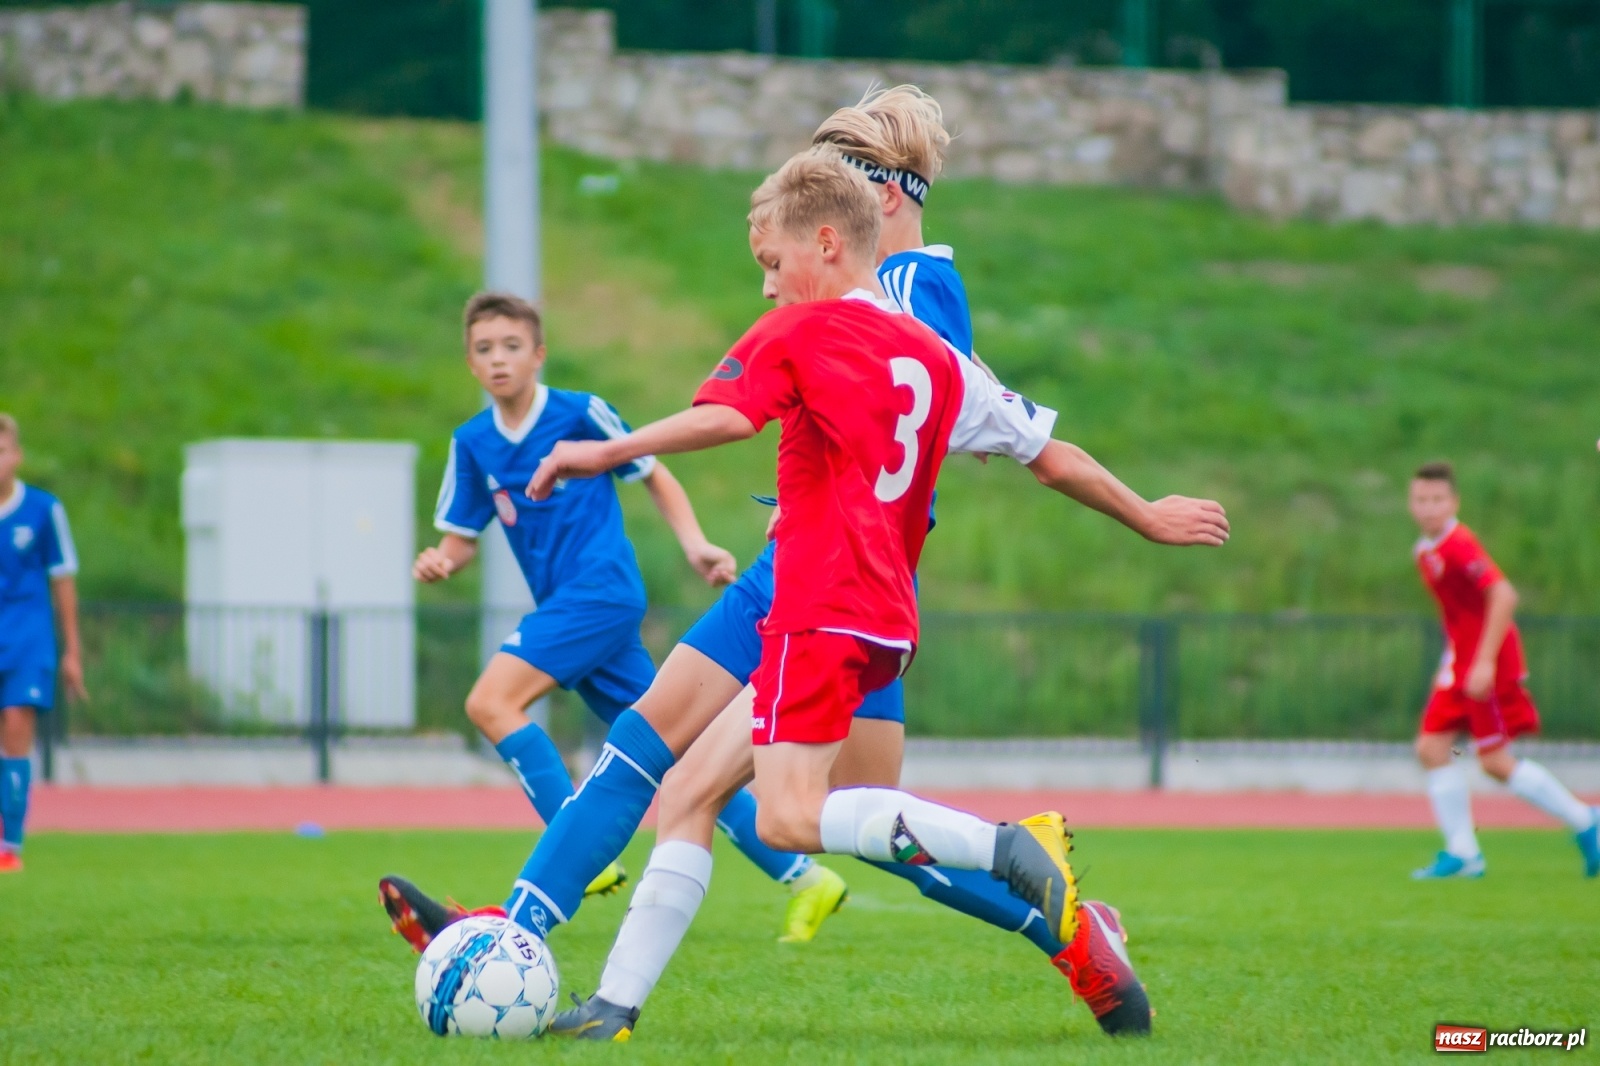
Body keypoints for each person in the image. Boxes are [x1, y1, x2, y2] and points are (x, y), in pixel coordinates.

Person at [380, 92, 1225, 1031]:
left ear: (872, 202)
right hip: (860, 590)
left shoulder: (902, 292)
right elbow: (1003, 431)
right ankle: (542, 953)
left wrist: (622, 453)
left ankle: (1046, 898)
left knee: (796, 801)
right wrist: (1141, 512)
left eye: (824, 183)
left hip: (820, 580)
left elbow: (820, 404)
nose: (773, 274)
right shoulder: (914, 309)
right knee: (682, 771)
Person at [383, 292, 821, 926]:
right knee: (673, 751)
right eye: (485, 349)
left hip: (600, 593)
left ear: (538, 354)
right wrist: (441, 561)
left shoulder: (578, 412)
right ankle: (806, 876)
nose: (499, 359)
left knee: (490, 702)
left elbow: (653, 472)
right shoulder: (472, 444)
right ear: (470, 363)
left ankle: (576, 852)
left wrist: (695, 543)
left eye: (512, 346)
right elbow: (461, 538)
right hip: (573, 609)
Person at [1407, 461, 1598, 879]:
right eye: (1421, 499)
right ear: (1410, 503)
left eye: (1437, 499)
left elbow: (1503, 595)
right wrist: (1453, 661)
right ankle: (1463, 854)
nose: (1429, 507)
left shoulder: (1458, 544)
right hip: (1460, 662)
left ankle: (1587, 821)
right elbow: (1460, 614)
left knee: (1494, 761)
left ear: (1454, 503)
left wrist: (1485, 661)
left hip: (1485, 663)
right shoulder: (1426, 549)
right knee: (1432, 748)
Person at [0, 414, 87, 873]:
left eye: (0, 451)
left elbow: (63, 579)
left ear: (16, 456)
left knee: (17, 725)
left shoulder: (43, 509)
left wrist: (72, 650)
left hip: (27, 639)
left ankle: (9, 845)